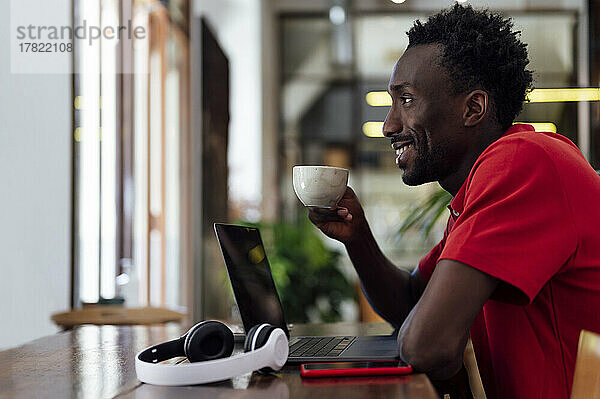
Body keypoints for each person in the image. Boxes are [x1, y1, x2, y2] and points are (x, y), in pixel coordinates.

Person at [308, 4, 600, 399]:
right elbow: (413, 303)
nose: (389, 125)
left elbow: (427, 345)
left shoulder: (525, 162)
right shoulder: (482, 187)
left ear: (472, 108)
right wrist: (357, 237)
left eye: (406, 99)